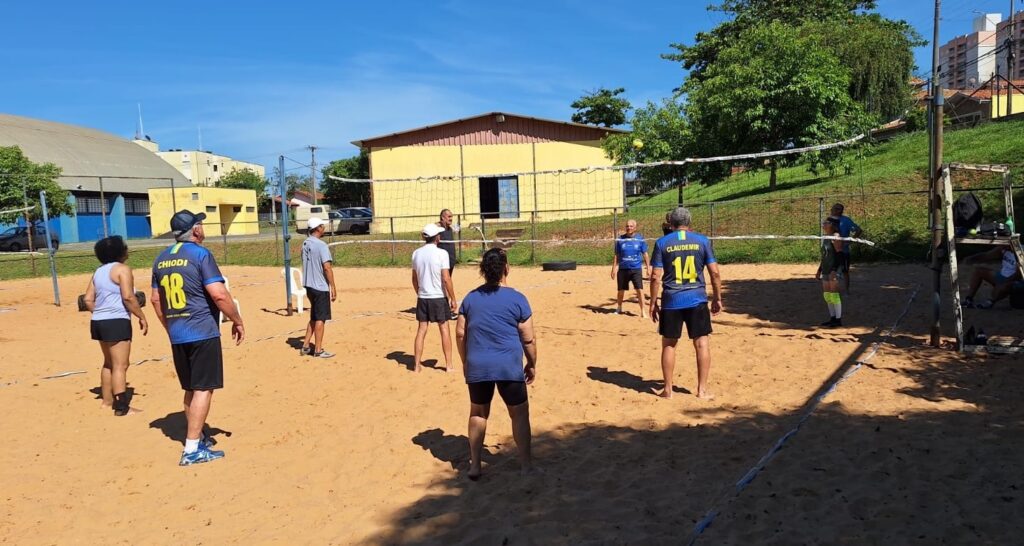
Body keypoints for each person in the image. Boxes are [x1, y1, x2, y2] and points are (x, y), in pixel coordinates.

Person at [151, 210, 244, 466]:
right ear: (194, 230)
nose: (202, 227)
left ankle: (198, 436)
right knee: (203, 388)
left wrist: (169, 326)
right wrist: (237, 320)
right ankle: (192, 449)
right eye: (200, 224)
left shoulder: (160, 259)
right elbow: (219, 294)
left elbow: (156, 300)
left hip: (178, 332)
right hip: (201, 331)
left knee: (191, 388)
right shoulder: (201, 254)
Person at [456, 248, 537, 480]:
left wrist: (465, 361)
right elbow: (528, 338)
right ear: (506, 269)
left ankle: (475, 465)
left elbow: (460, 334)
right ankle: (526, 466)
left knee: (478, 413)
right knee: (519, 414)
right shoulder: (518, 299)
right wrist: (532, 363)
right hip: (508, 365)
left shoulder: (470, 299)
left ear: (483, 270)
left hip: (478, 364)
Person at [649, 207, 722, 400]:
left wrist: (653, 303)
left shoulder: (662, 242)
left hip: (671, 300)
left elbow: (655, 276)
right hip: (697, 298)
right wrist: (717, 297)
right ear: (689, 222)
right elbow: (715, 273)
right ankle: (702, 390)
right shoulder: (702, 241)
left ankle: (667, 390)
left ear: (670, 223)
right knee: (702, 343)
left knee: (669, 344)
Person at [84, 236, 148, 416]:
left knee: (109, 363)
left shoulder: (98, 272)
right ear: (120, 251)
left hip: (98, 321)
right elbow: (128, 297)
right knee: (121, 365)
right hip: (116, 321)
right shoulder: (122, 269)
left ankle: (107, 402)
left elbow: (88, 299)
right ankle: (121, 408)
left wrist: (101, 313)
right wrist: (141, 316)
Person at [412, 223, 458, 372]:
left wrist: (419, 292)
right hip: (438, 297)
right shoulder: (442, 253)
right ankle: (449, 365)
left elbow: (414, 279)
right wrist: (453, 298)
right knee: (444, 328)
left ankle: (417, 365)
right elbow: (446, 278)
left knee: (421, 330)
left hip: (423, 297)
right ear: (437, 238)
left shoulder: (416, 253)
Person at [299, 217, 337, 358]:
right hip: (320, 287)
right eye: (322, 226)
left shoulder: (305, 243)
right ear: (318, 228)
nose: (324, 228)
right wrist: (333, 287)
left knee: (314, 316)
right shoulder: (321, 245)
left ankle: (305, 345)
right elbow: (327, 268)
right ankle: (318, 350)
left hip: (309, 286)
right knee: (321, 318)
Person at [962, 244, 1022, 309]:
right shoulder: (1003, 249)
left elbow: (1018, 275)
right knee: (978, 271)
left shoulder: (1020, 252)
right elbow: (986, 255)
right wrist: (971, 258)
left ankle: (989, 302)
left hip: (1015, 281)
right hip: (1002, 276)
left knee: (1004, 286)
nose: (1000, 245)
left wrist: (1003, 283)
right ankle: (968, 299)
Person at [611, 219, 650, 317]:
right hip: (623, 269)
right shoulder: (620, 239)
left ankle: (643, 311)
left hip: (636, 269)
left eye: (631, 226)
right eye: (627, 226)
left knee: (639, 290)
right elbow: (616, 255)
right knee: (620, 290)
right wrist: (613, 269)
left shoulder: (640, 239)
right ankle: (619, 308)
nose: (629, 228)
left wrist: (648, 268)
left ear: (635, 228)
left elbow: (645, 254)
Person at [816, 218, 846, 327]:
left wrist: (834, 270)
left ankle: (838, 320)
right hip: (825, 268)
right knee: (827, 295)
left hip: (834, 269)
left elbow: (840, 255)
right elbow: (824, 256)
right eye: (823, 222)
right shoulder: (826, 237)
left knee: (834, 294)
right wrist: (819, 270)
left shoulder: (835, 236)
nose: (823, 224)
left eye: (826, 223)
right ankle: (832, 318)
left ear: (832, 225)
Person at [830, 203, 862, 294]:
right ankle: (834, 290)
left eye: (838, 209)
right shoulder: (829, 220)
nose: (834, 210)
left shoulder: (846, 220)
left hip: (843, 250)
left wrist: (850, 241)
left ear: (841, 211)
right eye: (834, 208)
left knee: (845, 271)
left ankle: (846, 290)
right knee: (832, 271)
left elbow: (858, 230)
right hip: (832, 250)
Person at [437, 209, 460, 320]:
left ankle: (446, 308)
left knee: (447, 283)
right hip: (442, 263)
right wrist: (436, 225)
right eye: (449, 216)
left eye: (451, 216)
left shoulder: (449, 229)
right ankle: (446, 310)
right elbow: (424, 234)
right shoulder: (438, 228)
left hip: (450, 261)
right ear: (442, 217)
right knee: (444, 284)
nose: (451, 218)